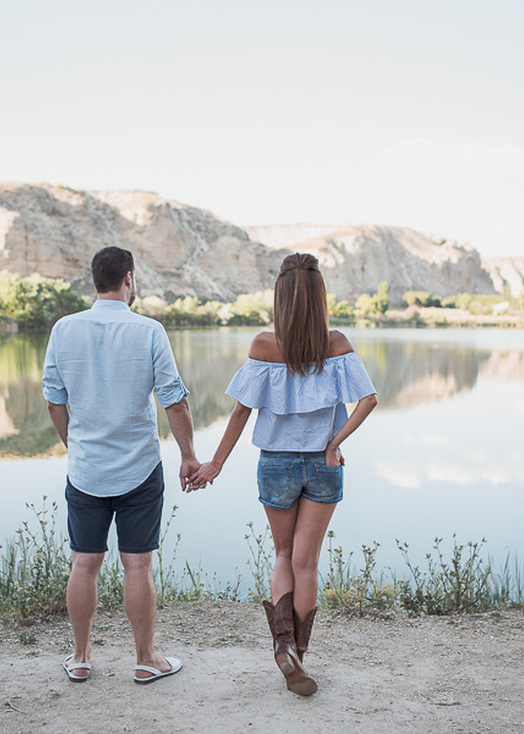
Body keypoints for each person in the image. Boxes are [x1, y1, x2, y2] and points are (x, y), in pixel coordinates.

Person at [192, 252, 377, 696]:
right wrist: (335, 442)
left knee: (281, 556)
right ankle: (299, 654)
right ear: (320, 299)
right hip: (324, 464)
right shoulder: (336, 344)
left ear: (280, 299)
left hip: (275, 462)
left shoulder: (263, 346)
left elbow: (240, 412)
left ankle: (283, 647)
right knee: (306, 562)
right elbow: (367, 400)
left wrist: (215, 464)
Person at [42, 246, 201, 685]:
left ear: (96, 281)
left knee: (84, 563)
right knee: (138, 565)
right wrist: (189, 456)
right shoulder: (149, 331)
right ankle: (146, 659)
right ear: (128, 279)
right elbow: (175, 400)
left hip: (86, 469)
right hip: (139, 468)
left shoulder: (64, 329)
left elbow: (54, 400)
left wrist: (75, 444)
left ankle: (79, 658)